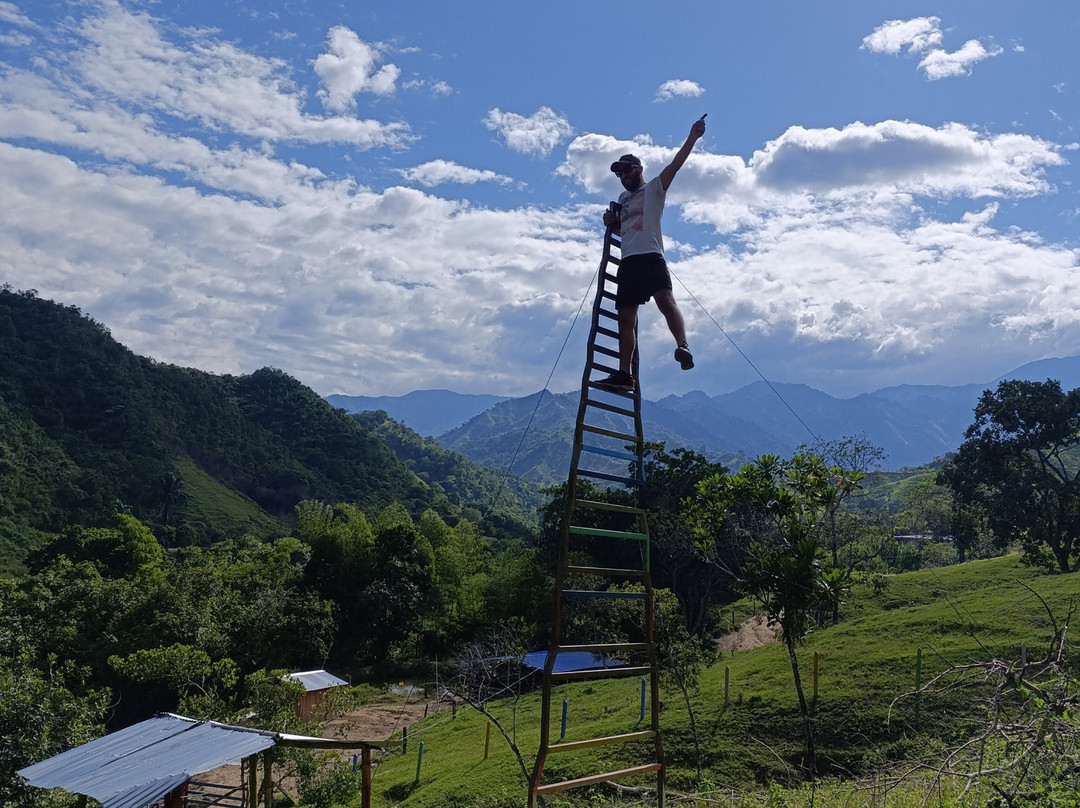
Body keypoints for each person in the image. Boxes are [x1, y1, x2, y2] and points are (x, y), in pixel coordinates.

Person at [595, 114, 706, 393]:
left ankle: (683, 346)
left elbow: (675, 165)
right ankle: (624, 374)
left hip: (651, 255)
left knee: (665, 301)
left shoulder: (654, 188)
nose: (623, 177)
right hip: (629, 261)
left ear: (639, 169)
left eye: (627, 171)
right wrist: (612, 223)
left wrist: (692, 137)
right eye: (619, 174)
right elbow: (625, 230)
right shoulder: (623, 200)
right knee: (625, 317)